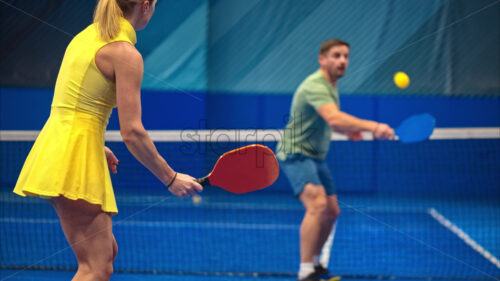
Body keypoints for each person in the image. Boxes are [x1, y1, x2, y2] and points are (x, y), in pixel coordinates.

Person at [13, 0, 203, 280]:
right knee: (96, 268)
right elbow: (132, 133)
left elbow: (73, 105)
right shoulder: (125, 53)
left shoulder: (85, 36)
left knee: (105, 255)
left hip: (60, 149)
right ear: (146, 5)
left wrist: (93, 145)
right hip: (72, 158)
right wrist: (171, 178)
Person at [276, 39, 395, 281]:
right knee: (317, 205)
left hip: (316, 156)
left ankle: (317, 263)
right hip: (296, 153)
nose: (342, 61)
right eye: (336, 55)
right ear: (322, 59)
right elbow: (333, 117)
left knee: (331, 211)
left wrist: (347, 131)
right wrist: (375, 126)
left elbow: (323, 120)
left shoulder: (331, 86)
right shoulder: (316, 85)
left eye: (346, 56)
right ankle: (305, 271)